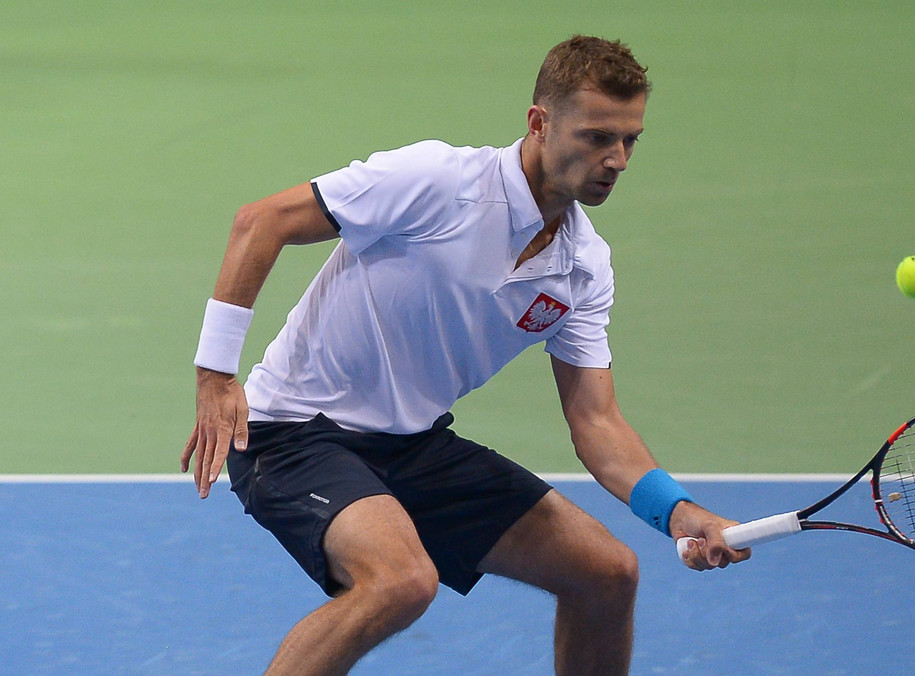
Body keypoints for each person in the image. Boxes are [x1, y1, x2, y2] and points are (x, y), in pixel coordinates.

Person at [181, 35, 749, 676]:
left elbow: (596, 422)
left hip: (413, 446)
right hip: (296, 433)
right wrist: (215, 374)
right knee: (401, 581)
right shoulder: (438, 181)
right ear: (540, 123)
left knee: (608, 574)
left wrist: (677, 512)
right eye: (595, 137)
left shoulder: (583, 267)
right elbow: (262, 221)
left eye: (630, 140)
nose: (616, 158)